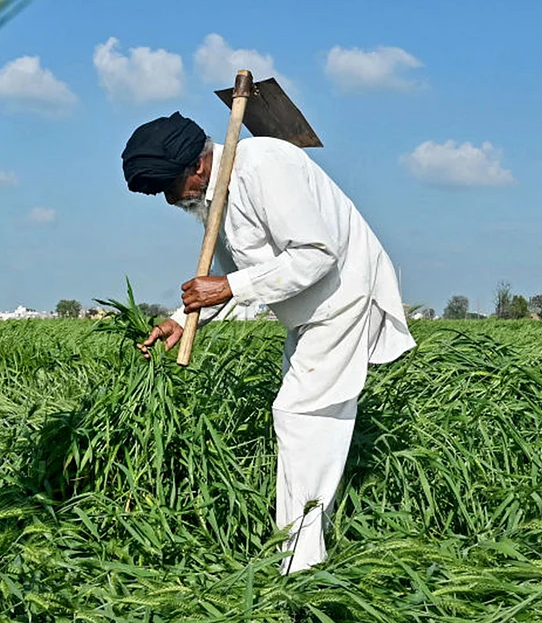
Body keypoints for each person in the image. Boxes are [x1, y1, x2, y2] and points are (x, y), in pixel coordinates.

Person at [121, 111, 416, 574]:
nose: (170, 199)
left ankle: (300, 564)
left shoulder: (264, 165)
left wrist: (228, 288)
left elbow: (316, 254)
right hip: (306, 315)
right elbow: (229, 280)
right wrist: (181, 320)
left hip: (341, 300)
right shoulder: (217, 197)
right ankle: (303, 547)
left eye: (169, 186)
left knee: (300, 420)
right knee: (311, 428)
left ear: (197, 165)